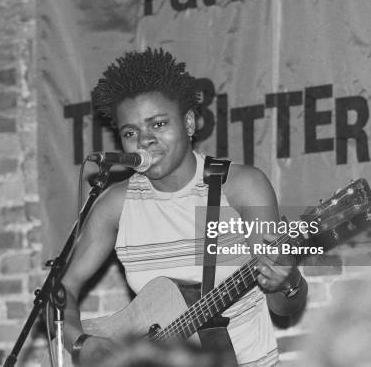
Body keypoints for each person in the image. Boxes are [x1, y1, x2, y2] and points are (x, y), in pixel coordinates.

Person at [60, 48, 308, 366]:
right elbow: (62, 289)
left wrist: (288, 283)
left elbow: (283, 307)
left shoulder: (240, 186)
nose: (144, 141)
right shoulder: (115, 205)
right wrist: (82, 343)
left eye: (159, 124)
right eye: (130, 133)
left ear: (189, 123)